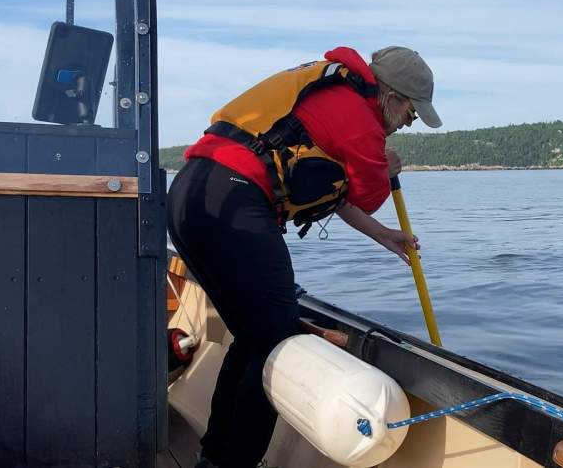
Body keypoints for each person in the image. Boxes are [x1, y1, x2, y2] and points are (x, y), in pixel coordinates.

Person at [167, 45, 441, 468]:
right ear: (392, 97)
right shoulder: (359, 119)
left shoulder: (331, 96)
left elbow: (335, 192)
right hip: (235, 202)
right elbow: (367, 194)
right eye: (411, 114)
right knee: (278, 339)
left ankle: (215, 457)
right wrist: (385, 167)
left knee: (254, 337)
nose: (408, 124)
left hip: (194, 196)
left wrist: (382, 235)